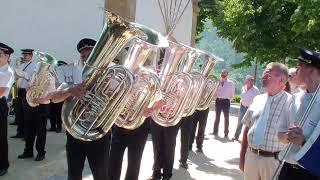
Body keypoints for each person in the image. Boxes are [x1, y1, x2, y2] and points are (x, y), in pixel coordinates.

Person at [51, 38, 111, 180]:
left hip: (99, 132)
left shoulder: (108, 72)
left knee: (101, 175)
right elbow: (54, 98)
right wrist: (70, 91)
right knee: (74, 174)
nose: (86, 56)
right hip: (74, 132)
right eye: (83, 54)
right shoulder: (72, 71)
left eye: (90, 53)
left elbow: (118, 97)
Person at [239, 62, 291, 180]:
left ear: (282, 80)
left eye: (268, 74)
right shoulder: (258, 99)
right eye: (264, 72)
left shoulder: (291, 103)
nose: (263, 76)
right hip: (251, 157)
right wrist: (242, 157)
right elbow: (247, 128)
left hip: (273, 162)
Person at [277, 48, 320, 179]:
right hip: (286, 168)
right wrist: (287, 136)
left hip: (310, 172)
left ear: (311, 71)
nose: (296, 71)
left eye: (300, 67)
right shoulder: (294, 98)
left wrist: (303, 142)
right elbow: (280, 135)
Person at [17, 50, 55, 161]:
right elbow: (29, 86)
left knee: (41, 130)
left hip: (42, 105)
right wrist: (29, 87)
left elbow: (52, 93)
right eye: (39, 64)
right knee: (28, 129)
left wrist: (41, 99)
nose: (39, 65)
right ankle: (28, 151)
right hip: (30, 103)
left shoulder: (50, 76)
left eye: (42, 64)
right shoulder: (34, 75)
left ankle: (41, 153)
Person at [11, 49, 37, 139]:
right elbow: (17, 77)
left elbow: (32, 79)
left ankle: (27, 135)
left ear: (31, 56)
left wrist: (24, 75)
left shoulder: (34, 66)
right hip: (19, 90)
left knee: (27, 114)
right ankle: (20, 132)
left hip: (27, 91)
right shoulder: (21, 65)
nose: (25, 56)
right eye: (24, 55)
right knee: (19, 113)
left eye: (27, 55)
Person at [0, 43, 14, 176]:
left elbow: (2, 90)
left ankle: (3, 164)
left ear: (8, 57)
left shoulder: (8, 72)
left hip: (0, 104)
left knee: (1, 137)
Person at [232, 75, 260, 141]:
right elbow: (242, 96)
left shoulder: (256, 90)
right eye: (249, 80)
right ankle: (236, 136)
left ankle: (248, 139)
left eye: (252, 80)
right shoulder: (243, 88)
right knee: (240, 122)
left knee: (249, 124)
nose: (251, 81)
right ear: (247, 81)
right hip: (242, 107)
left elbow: (258, 100)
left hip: (250, 109)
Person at [213, 69, 235, 138]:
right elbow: (215, 91)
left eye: (224, 73)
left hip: (226, 101)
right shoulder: (218, 82)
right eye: (222, 73)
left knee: (226, 117)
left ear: (227, 75)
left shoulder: (231, 83)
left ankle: (226, 133)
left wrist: (228, 99)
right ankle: (215, 131)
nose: (222, 74)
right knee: (217, 117)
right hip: (218, 101)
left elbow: (232, 93)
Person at [48, 60, 68, 133]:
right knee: (51, 112)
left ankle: (59, 127)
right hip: (52, 95)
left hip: (60, 97)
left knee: (59, 112)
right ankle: (52, 126)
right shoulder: (54, 75)